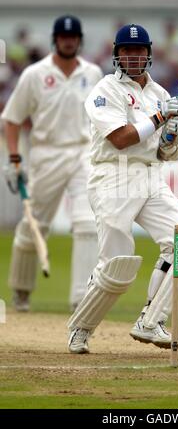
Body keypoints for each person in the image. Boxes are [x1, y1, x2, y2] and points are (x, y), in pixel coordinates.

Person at [67, 24, 178, 353]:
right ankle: (81, 327)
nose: (133, 57)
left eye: (139, 51)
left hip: (151, 176)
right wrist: (163, 116)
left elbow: (165, 152)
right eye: (126, 51)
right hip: (113, 178)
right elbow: (120, 139)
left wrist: (177, 131)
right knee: (117, 265)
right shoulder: (105, 91)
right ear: (117, 55)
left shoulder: (160, 94)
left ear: (148, 53)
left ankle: (151, 321)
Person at [2, 15, 103, 312]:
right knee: (34, 227)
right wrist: (14, 159)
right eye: (63, 37)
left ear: (79, 40)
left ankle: (81, 299)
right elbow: (12, 119)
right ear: (55, 40)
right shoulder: (35, 74)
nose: (68, 41)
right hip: (47, 155)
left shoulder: (94, 73)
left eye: (73, 37)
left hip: (84, 154)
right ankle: (21, 290)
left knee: (87, 223)